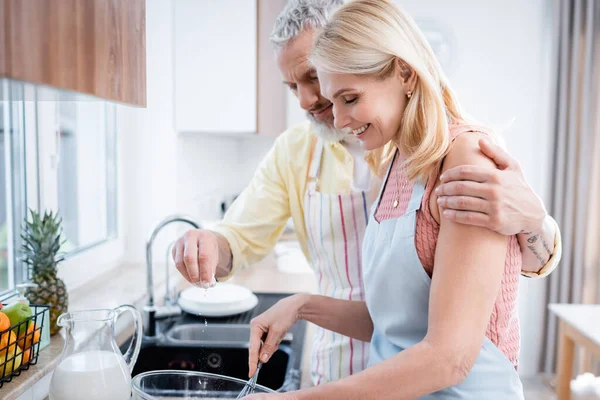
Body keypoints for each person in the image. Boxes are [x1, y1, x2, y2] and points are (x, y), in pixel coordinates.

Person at [172, 0, 562, 387]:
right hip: (352, 366)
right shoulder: (390, 155)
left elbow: (450, 357)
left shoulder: (457, 155)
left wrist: (535, 222)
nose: (311, 102)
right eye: (295, 87)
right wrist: (298, 303)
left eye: (345, 95)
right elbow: (398, 319)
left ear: (402, 73)